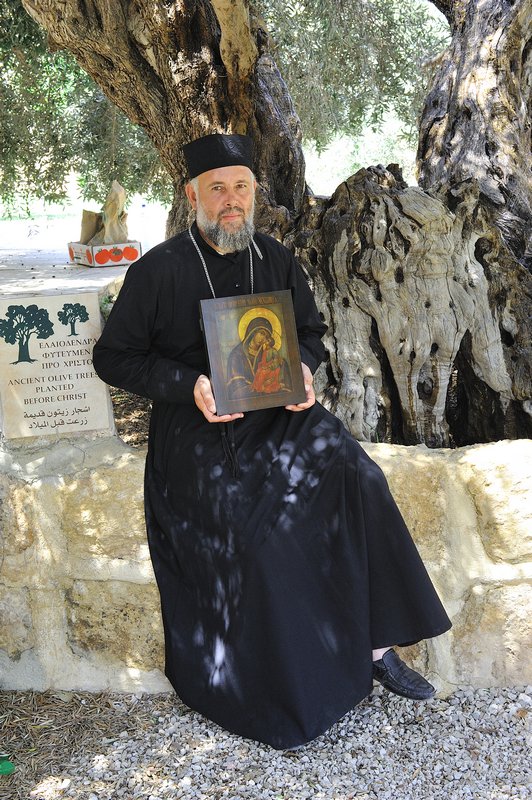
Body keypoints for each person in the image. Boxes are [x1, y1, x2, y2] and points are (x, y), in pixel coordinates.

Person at [93, 133, 451, 750]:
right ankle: (287, 689)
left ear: (255, 194)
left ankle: (375, 646)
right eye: (218, 189)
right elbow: (113, 358)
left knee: (359, 478)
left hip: (280, 414)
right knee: (260, 534)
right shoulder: (158, 270)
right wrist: (188, 385)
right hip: (200, 427)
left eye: (242, 188)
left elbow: (310, 333)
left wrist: (304, 369)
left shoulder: (276, 258)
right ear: (193, 197)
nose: (231, 201)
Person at [227, 315, 291, 398]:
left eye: (266, 337)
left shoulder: (266, 354)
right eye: (262, 333)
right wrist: (261, 385)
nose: (263, 338)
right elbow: (236, 388)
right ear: (253, 332)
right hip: (247, 399)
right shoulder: (237, 354)